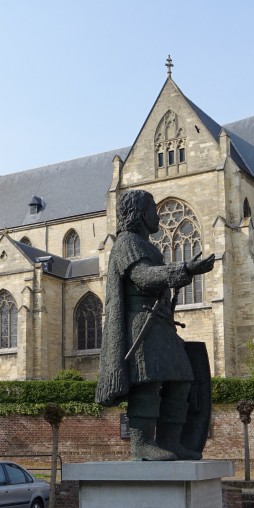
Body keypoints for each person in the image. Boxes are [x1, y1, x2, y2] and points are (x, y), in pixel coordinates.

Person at [96, 189, 215, 460]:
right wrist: (184, 270)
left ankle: (170, 441)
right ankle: (141, 444)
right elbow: (144, 277)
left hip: (160, 324)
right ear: (140, 213)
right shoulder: (127, 242)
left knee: (183, 378)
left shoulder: (146, 245)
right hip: (141, 324)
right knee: (148, 382)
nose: (157, 214)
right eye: (152, 209)